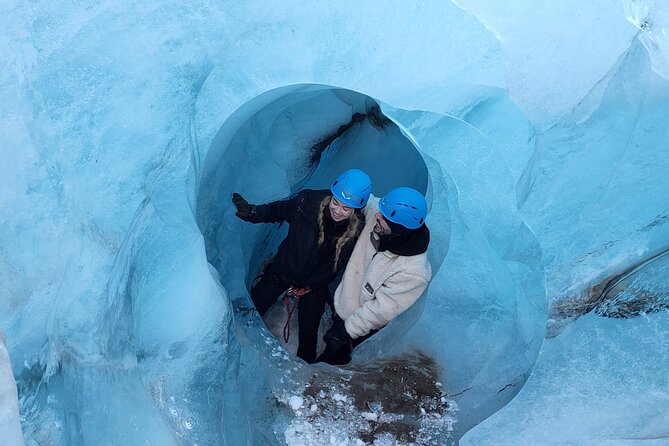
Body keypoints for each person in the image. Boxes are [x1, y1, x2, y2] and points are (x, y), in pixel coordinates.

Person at [232, 169, 372, 363]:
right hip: (282, 273)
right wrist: (252, 212)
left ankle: (304, 379)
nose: (337, 210)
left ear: (356, 210)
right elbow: (277, 210)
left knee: (309, 336)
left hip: (313, 287)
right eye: (336, 202)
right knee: (250, 311)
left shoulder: (358, 231)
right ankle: (232, 352)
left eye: (346, 208)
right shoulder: (307, 204)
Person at [317, 186, 432, 365]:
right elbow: (365, 200)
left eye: (384, 217)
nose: (377, 215)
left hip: (360, 324)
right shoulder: (380, 216)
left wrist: (347, 330)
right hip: (344, 301)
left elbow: (381, 310)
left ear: (398, 228)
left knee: (334, 354)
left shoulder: (414, 272)